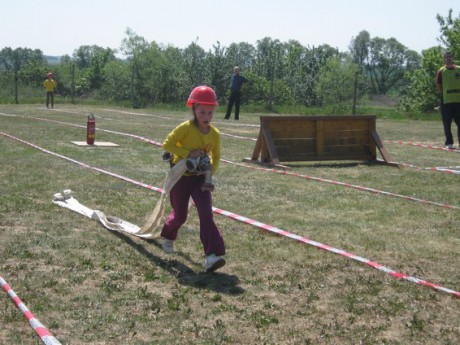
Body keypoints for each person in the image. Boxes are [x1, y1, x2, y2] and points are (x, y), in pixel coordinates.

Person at [160, 85, 226, 272]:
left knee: (206, 214)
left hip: (200, 180)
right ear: (194, 109)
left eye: (210, 112)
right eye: (202, 112)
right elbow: (167, 144)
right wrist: (188, 153)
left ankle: (212, 256)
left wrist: (209, 174)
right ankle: (168, 236)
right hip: (180, 176)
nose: (206, 116)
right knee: (180, 215)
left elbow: (217, 157)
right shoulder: (185, 128)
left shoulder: (215, 134)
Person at [436, 51, 460, 149]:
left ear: (452, 58)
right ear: (444, 59)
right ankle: (449, 143)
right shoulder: (441, 71)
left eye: (450, 57)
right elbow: (438, 85)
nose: (448, 58)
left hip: (458, 101)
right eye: (446, 57)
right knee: (447, 123)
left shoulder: (459, 69)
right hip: (446, 101)